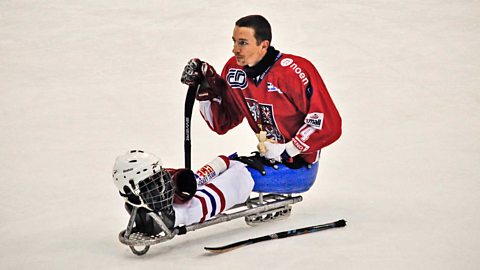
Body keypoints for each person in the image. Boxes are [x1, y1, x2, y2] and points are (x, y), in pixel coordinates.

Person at [181, 15, 341, 166]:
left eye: (242, 43)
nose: (235, 49)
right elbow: (224, 123)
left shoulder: (294, 71)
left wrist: (288, 150)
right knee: (217, 171)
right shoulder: (234, 71)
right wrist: (207, 92)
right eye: (234, 42)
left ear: (263, 45)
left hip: (299, 164)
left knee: (230, 177)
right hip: (268, 159)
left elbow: (327, 123)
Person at [113, 150, 254, 234]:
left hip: (240, 167)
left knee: (240, 175)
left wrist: (183, 180)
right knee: (241, 178)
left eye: (159, 178)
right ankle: (172, 217)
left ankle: (170, 216)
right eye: (153, 183)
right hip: (241, 172)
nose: (163, 185)